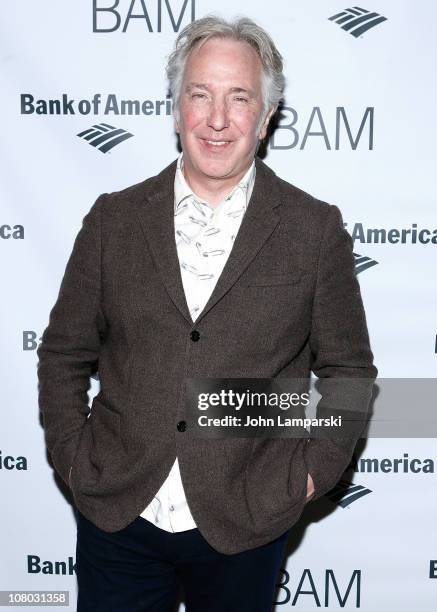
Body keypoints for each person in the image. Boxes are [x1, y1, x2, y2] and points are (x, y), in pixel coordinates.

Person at [37, 15, 377, 612]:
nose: (217, 119)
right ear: (176, 109)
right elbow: (64, 353)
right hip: (119, 513)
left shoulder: (313, 229)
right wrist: (73, 455)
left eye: (239, 97)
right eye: (200, 95)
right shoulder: (113, 220)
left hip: (247, 517)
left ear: (266, 117)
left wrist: (307, 477)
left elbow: (349, 372)